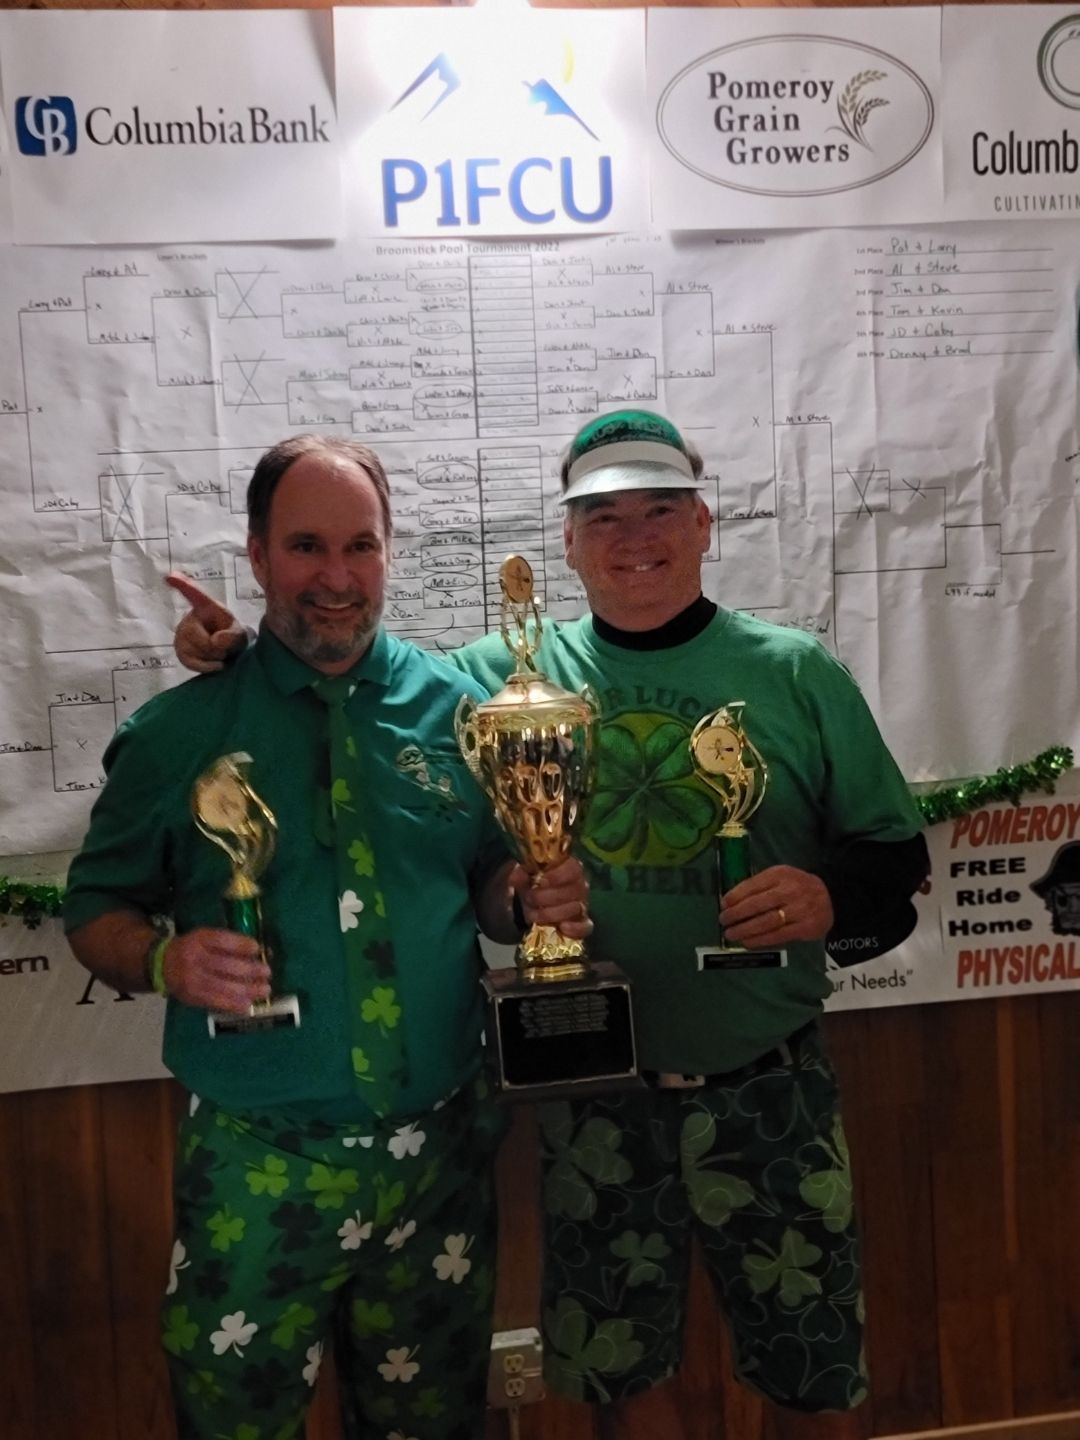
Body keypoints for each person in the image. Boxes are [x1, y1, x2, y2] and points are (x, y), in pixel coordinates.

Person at [172, 411, 929, 1429]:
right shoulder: (494, 680)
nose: (634, 537)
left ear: (705, 524)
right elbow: (350, 675)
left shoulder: (796, 671)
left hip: (770, 1080)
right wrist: (236, 657)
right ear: (567, 542)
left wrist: (829, 897)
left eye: (661, 510)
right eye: (602, 516)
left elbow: (897, 863)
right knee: (616, 1377)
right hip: (592, 1093)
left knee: (811, 1357)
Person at [64, 434, 591, 1440]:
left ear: (391, 552)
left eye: (362, 546)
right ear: (257, 556)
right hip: (260, 1166)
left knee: (429, 1425)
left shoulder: (460, 714)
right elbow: (96, 914)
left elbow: (484, 883)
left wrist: (523, 898)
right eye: (306, 547)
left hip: (439, 1160)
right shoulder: (181, 733)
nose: (337, 578)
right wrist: (166, 959)